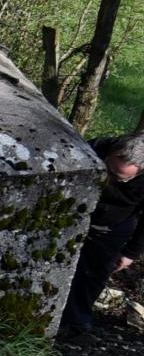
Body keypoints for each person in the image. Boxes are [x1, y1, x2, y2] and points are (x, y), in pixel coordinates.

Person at [60, 133, 144, 337]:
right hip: (74, 211)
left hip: (113, 227)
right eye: (107, 167)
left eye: (116, 177)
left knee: (93, 274)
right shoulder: (98, 145)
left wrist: (130, 253)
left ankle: (76, 322)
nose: (107, 178)